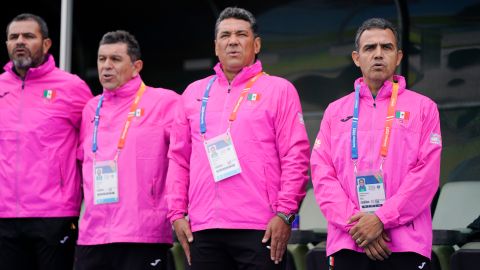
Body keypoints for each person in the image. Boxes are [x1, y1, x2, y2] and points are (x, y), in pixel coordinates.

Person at [166, 6, 310, 270]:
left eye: (241, 34)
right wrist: (176, 214)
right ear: (216, 46)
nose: (232, 41)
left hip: (260, 226)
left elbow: (295, 156)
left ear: (256, 44)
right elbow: (178, 159)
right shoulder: (193, 93)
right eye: (225, 35)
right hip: (204, 227)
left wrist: (284, 214)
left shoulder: (279, 90)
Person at [311, 18, 442, 270]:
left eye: (387, 47)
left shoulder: (424, 108)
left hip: (405, 243)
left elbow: (426, 176)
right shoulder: (334, 111)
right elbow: (322, 176)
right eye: (370, 48)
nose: (378, 54)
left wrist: (381, 219)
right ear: (356, 57)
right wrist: (359, 227)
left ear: (399, 56)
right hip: (349, 241)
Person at [75, 30, 179, 270]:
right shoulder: (90, 108)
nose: (106, 66)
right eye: (102, 59)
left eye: (115, 59)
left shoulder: (164, 102)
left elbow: (186, 159)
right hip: (93, 233)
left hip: (142, 232)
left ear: (136, 66)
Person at [0, 13, 92, 270]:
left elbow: (94, 143)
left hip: (55, 214)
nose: (20, 41)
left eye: (28, 36)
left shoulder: (71, 87)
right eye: (13, 37)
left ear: (47, 43)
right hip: (5, 215)